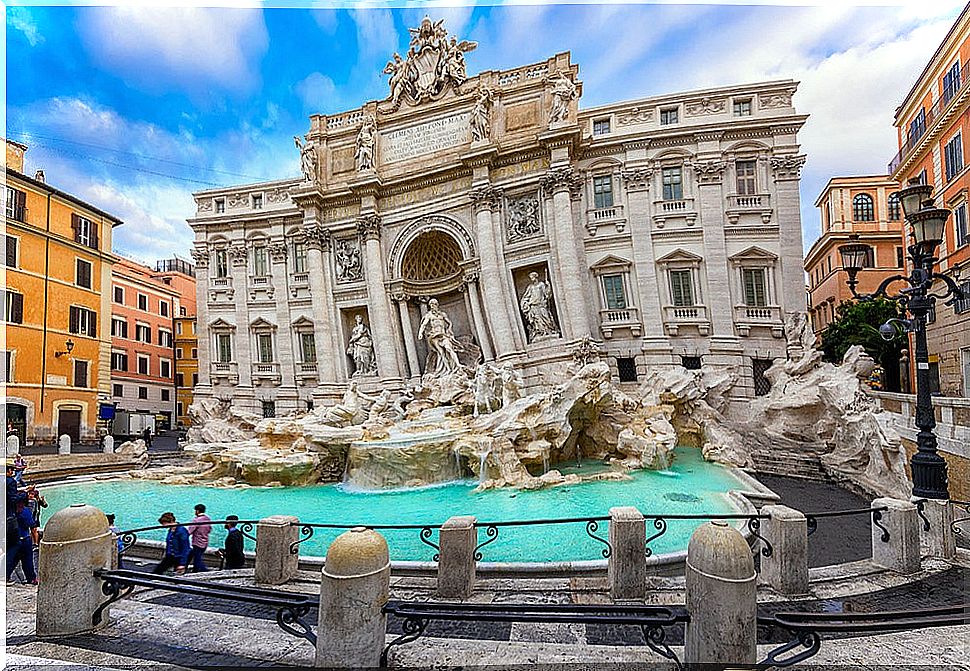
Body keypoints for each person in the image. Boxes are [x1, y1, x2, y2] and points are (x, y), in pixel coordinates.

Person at [6, 495, 38, 585]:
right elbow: (31, 524)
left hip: (13, 539)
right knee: (27, 560)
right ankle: (31, 578)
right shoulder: (25, 511)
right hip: (25, 539)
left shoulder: (9, 511)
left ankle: (5, 576)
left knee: (12, 559)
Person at [187, 504, 212, 573]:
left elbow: (189, 531)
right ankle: (188, 567)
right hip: (205, 542)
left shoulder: (196, 520)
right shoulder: (208, 519)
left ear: (197, 511)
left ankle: (204, 571)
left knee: (197, 560)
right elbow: (209, 530)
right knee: (193, 555)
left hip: (197, 542)